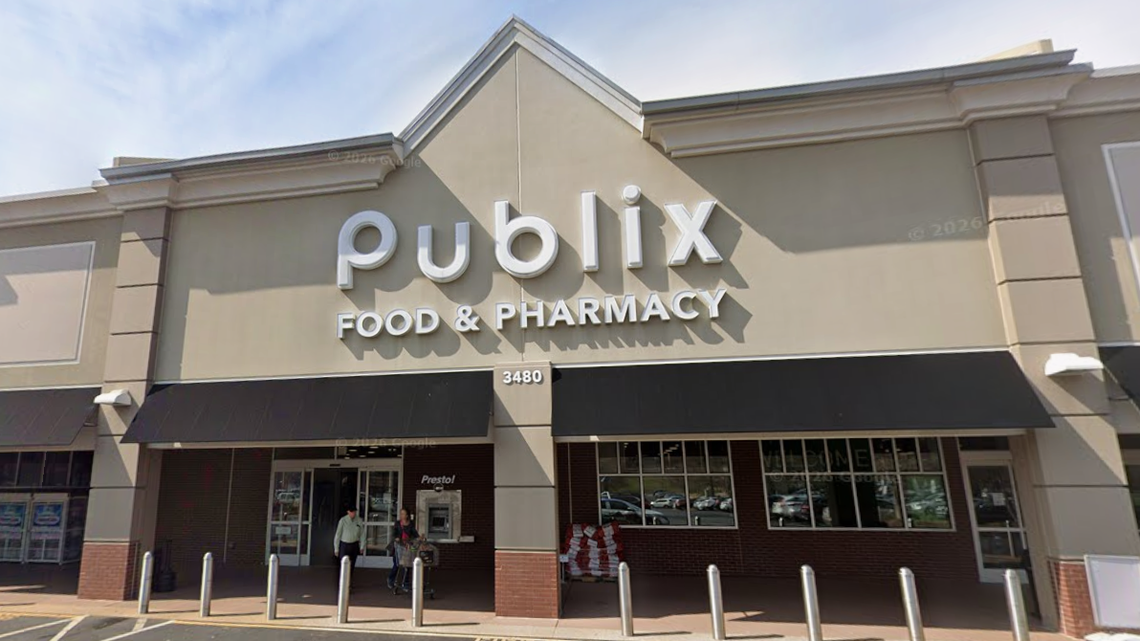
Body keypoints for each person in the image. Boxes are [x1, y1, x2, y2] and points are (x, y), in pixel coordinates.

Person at [387, 507, 418, 589]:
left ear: (407, 515)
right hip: (398, 547)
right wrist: (396, 538)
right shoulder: (397, 523)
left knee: (407, 566)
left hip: (407, 547)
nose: (401, 515)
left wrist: (418, 539)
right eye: (400, 513)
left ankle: (406, 583)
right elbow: (394, 534)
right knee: (396, 565)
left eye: (403, 513)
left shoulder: (411, 524)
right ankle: (391, 579)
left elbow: (415, 534)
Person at [333, 506, 365, 584]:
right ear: (348, 512)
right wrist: (336, 548)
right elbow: (338, 535)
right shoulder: (343, 520)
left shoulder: (359, 520)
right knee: (343, 565)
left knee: (351, 566)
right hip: (344, 545)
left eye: (354, 512)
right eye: (351, 512)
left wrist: (362, 546)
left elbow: (362, 534)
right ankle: (342, 583)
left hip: (354, 545)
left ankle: (348, 583)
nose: (353, 513)